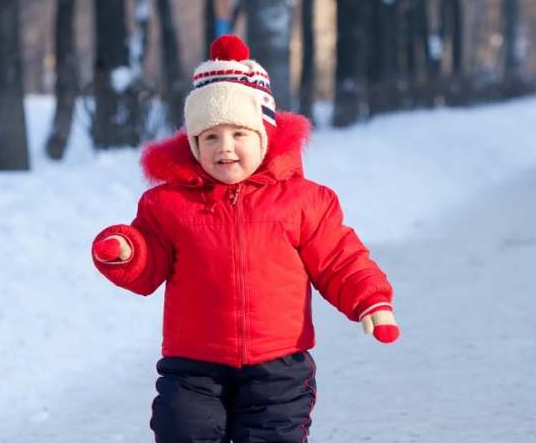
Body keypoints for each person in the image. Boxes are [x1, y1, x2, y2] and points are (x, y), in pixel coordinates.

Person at [90, 34, 400, 443]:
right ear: (194, 143)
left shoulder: (304, 201)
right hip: (193, 363)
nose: (225, 148)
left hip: (279, 362)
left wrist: (370, 299)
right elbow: (150, 265)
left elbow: (339, 257)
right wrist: (126, 252)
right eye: (210, 137)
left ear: (265, 137)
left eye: (239, 134)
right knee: (182, 431)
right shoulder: (167, 204)